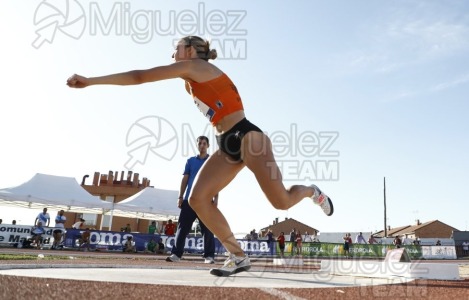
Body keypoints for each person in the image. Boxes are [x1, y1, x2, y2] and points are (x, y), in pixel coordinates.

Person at [66, 35, 334, 277]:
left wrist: (91, 81)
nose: (172, 54)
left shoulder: (194, 67)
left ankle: (312, 192)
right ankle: (238, 256)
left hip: (249, 139)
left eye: (176, 49)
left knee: (282, 202)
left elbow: (140, 76)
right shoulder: (189, 80)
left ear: (192, 51)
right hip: (226, 143)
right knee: (197, 198)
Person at [166, 136, 217, 264]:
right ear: (197, 145)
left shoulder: (212, 161)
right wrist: (180, 196)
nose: (202, 145)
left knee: (208, 229)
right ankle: (176, 254)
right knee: (182, 228)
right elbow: (185, 180)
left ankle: (209, 256)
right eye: (200, 143)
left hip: (205, 201)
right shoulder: (190, 161)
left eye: (204, 143)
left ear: (208, 146)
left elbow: (215, 180)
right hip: (189, 200)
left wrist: (216, 198)